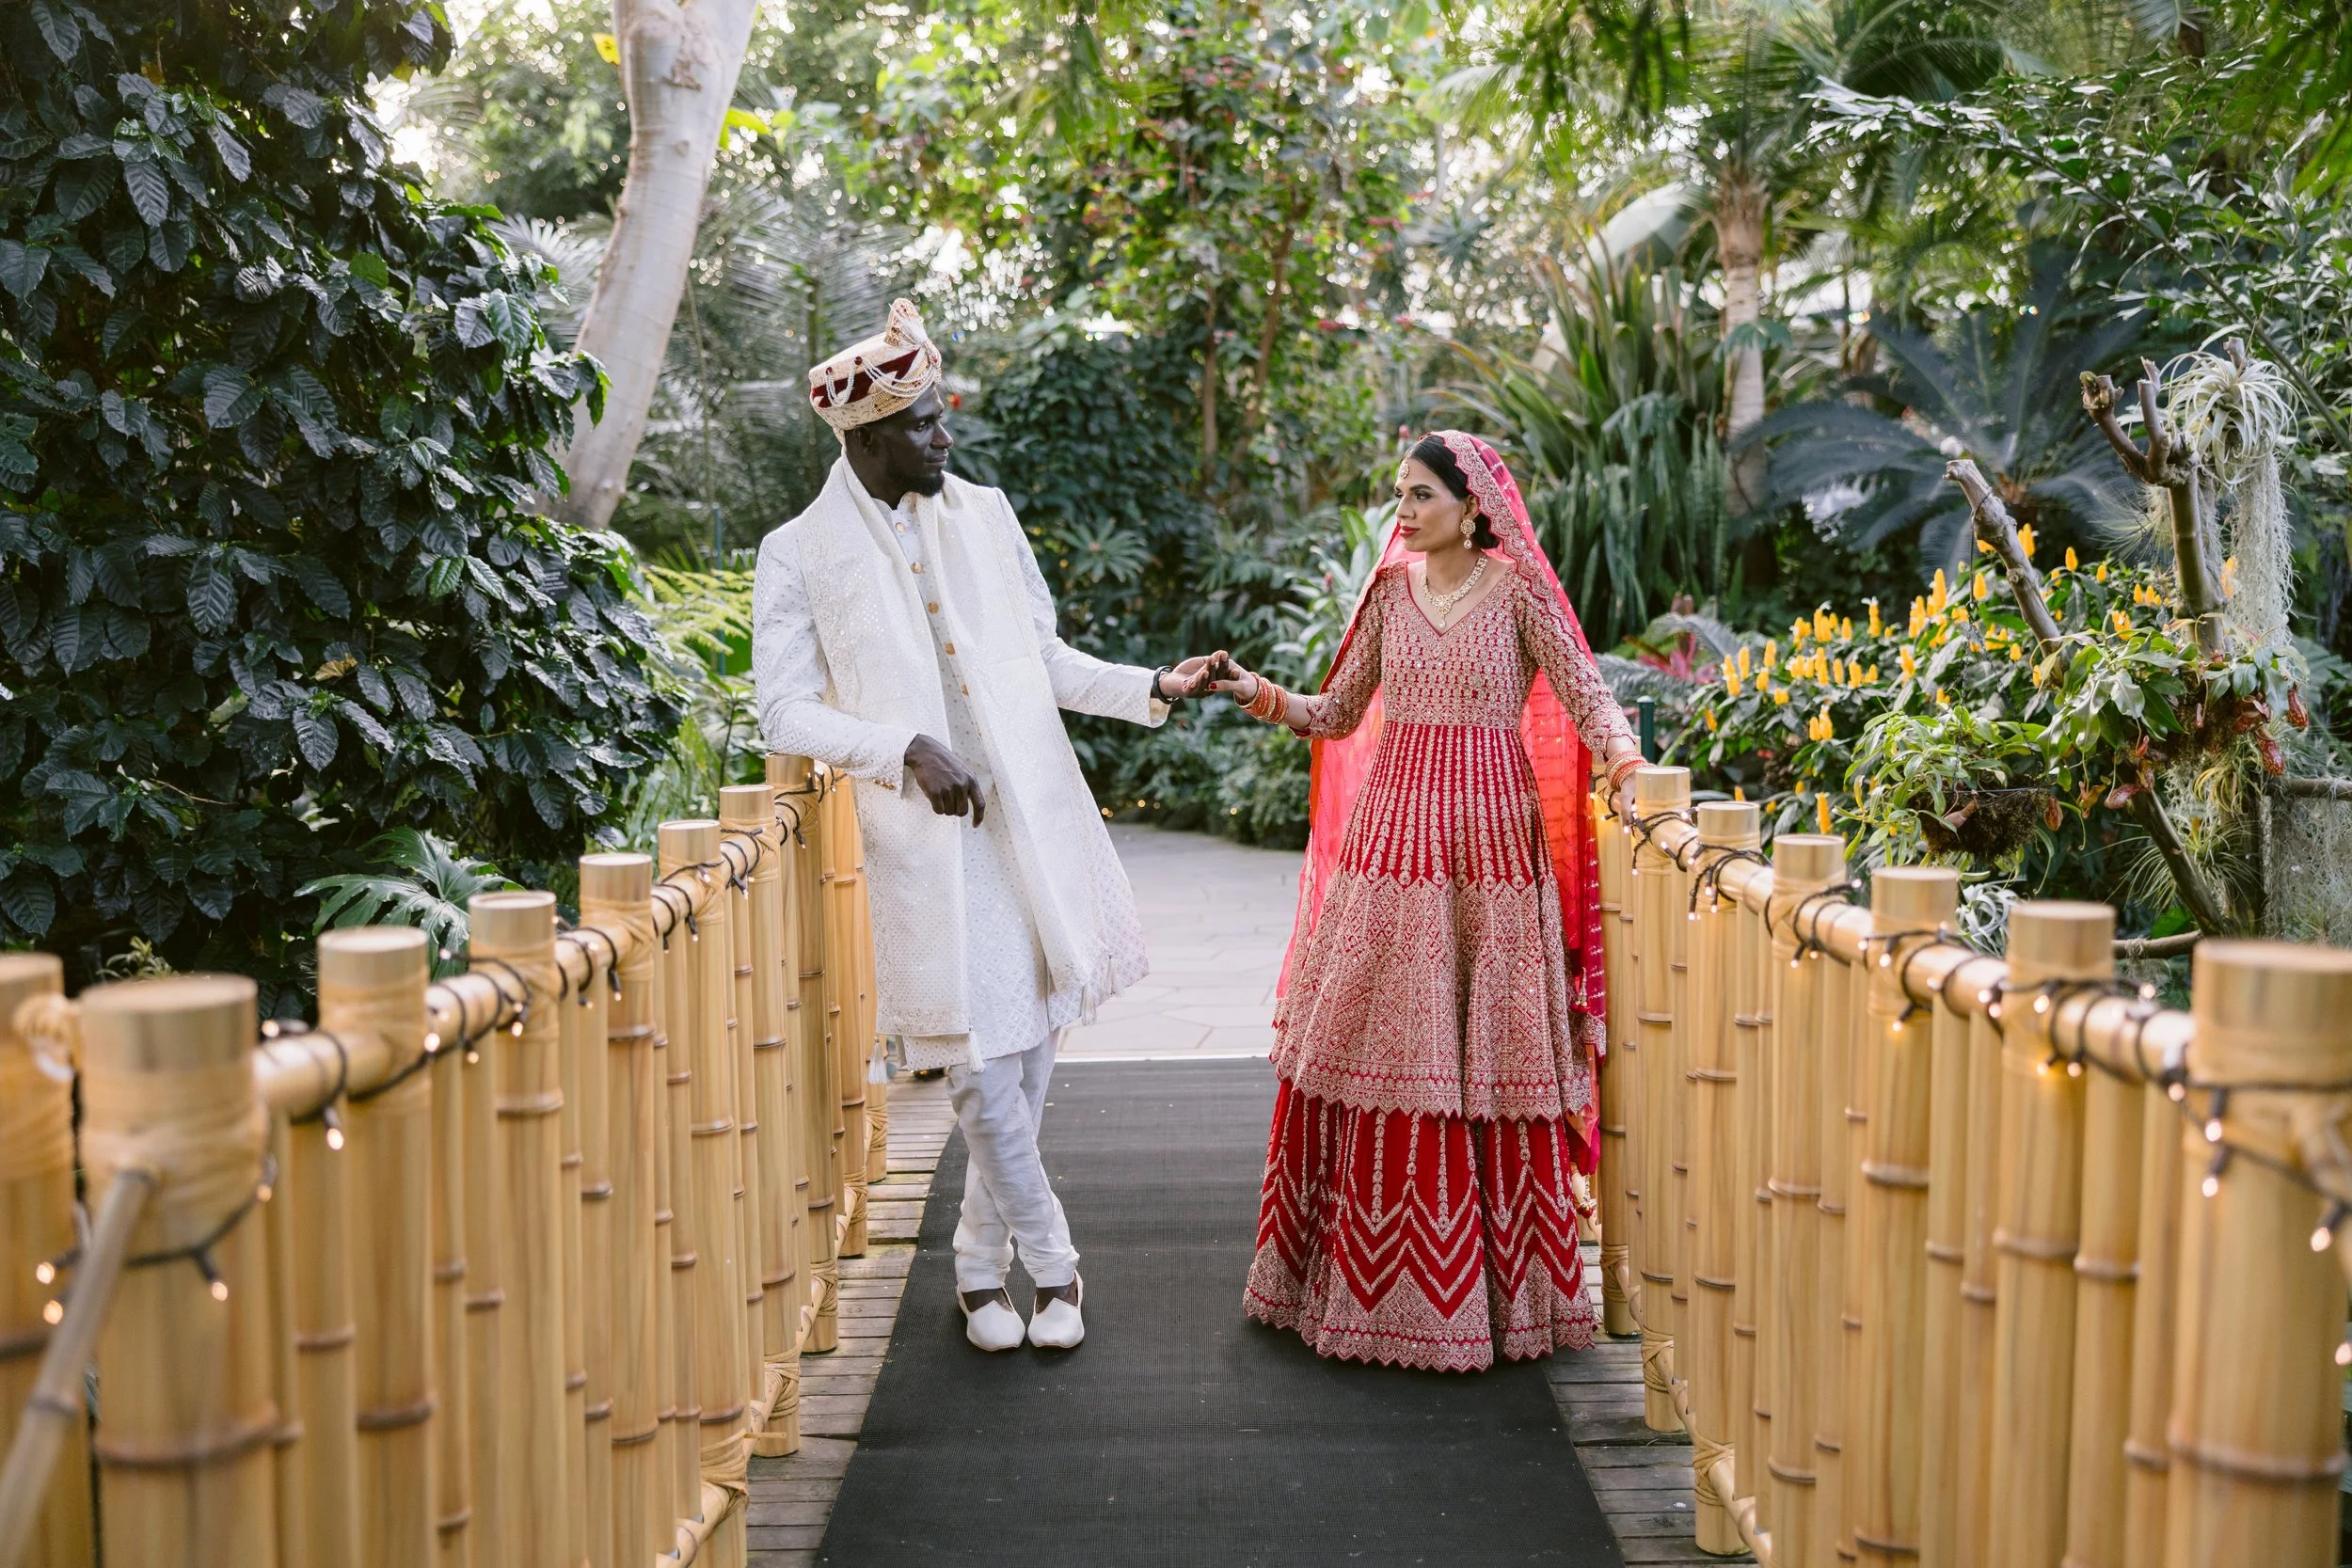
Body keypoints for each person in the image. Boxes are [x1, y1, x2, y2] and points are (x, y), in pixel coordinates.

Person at [753, 299, 1228, 1352]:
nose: (944, 435)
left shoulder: (988, 513)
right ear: (868, 437)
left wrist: (1155, 681)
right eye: (923, 422)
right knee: (972, 1060)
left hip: (1029, 827)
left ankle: (977, 1269)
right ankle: (1054, 1264)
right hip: (922, 847)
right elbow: (780, 707)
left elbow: (1047, 661)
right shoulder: (795, 553)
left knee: (1028, 1057)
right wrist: (902, 747)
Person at [1213, 430, 1645, 1371]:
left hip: (1491, 850)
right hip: (1392, 848)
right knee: (1378, 1044)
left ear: (1473, 506)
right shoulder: (1389, 596)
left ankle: (1495, 1298)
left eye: (1420, 496)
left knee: (1484, 1054)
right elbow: (1332, 713)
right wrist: (1251, 690)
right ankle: (1356, 1284)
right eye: (1399, 495)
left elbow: (1587, 695)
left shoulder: (1521, 591)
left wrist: (1625, 760)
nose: (1403, 512)